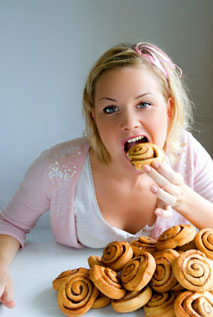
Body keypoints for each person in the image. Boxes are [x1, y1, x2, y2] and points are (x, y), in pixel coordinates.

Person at [0, 42, 212, 309]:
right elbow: (10, 225)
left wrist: (184, 199)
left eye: (144, 103)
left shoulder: (188, 155)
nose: (129, 122)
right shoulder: (58, 167)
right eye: (110, 109)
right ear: (94, 118)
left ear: (168, 109)